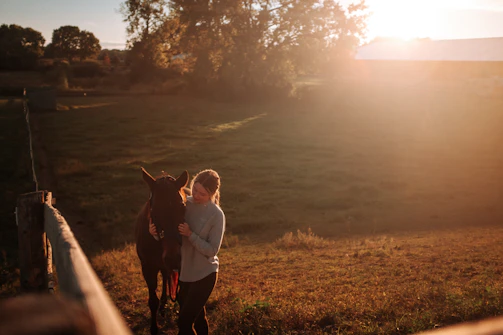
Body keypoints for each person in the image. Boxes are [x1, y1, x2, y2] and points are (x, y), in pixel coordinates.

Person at [149, 169, 225, 335]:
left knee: (183, 322)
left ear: (212, 194)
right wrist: (155, 234)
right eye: (195, 190)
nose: (196, 196)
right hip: (185, 275)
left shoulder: (216, 215)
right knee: (198, 319)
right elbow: (170, 234)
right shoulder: (183, 204)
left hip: (205, 274)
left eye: (202, 194)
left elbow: (212, 251)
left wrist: (190, 235)